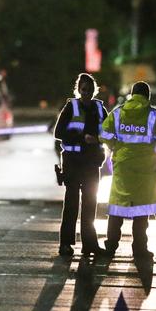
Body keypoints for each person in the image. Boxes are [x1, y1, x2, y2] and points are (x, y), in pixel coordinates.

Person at [99, 81, 156, 259]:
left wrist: (116, 146)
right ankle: (139, 249)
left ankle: (110, 246)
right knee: (141, 211)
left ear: (132, 95)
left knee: (117, 208)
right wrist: (153, 150)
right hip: (145, 169)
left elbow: (104, 134)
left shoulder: (118, 113)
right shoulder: (154, 115)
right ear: (148, 97)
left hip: (122, 166)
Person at [53, 73, 108, 257]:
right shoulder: (71, 107)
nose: (86, 93)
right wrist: (81, 137)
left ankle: (90, 244)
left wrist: (98, 140)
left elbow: (108, 133)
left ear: (94, 91)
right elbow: (58, 132)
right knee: (71, 205)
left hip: (92, 163)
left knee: (90, 205)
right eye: (83, 89)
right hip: (73, 162)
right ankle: (65, 244)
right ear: (78, 90)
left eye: (90, 90)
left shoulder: (100, 109)